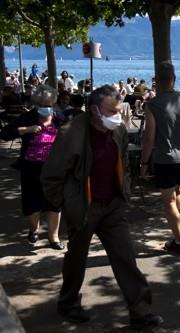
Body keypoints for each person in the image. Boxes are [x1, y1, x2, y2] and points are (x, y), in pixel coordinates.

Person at [40, 85, 163, 329]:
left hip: (113, 205)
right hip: (84, 207)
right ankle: (68, 303)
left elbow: (124, 163)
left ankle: (140, 312)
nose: (116, 115)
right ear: (94, 109)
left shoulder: (117, 131)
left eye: (118, 110)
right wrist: (67, 205)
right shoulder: (70, 134)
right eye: (111, 110)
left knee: (125, 257)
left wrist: (124, 190)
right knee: (76, 259)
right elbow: (51, 176)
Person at [141, 61, 180, 254]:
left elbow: (149, 138)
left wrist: (143, 163)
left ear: (156, 82)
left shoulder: (152, 105)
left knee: (169, 200)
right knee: (178, 191)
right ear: (174, 80)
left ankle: (177, 241)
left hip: (165, 159)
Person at [0, 85, 64, 250]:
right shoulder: (27, 118)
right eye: (42, 105)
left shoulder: (59, 117)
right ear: (36, 104)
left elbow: (70, 135)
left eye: (49, 104)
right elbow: (5, 133)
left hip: (54, 167)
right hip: (31, 166)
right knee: (32, 201)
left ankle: (54, 237)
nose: (46, 108)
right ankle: (34, 230)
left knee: (54, 202)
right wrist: (27, 130)